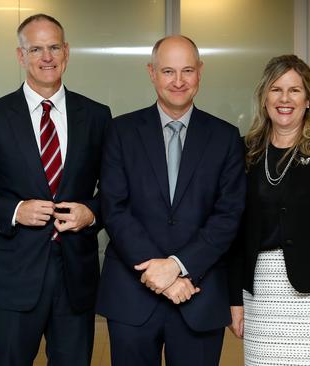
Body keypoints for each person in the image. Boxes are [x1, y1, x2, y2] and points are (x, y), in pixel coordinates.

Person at [0, 13, 111, 366]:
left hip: (76, 278)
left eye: (54, 47)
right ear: (21, 56)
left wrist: (91, 212)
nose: (47, 57)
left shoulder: (96, 116)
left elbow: (116, 191)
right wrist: (14, 211)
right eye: (36, 49)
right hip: (13, 278)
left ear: (66, 52)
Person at [96, 35, 246, 366]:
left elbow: (228, 215)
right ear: (151, 73)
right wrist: (161, 276)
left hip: (199, 295)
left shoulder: (225, 137)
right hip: (132, 297)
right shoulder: (121, 132)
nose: (178, 81)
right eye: (167, 71)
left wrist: (178, 267)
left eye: (187, 70)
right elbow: (115, 209)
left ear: (200, 72)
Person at [227, 55, 310, 365]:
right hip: (259, 295)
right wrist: (234, 300)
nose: (285, 99)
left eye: (295, 90)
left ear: (308, 100)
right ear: (264, 98)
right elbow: (234, 232)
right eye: (276, 89)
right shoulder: (245, 150)